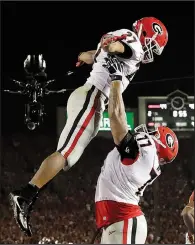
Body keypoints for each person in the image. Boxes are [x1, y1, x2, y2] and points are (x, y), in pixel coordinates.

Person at [9, 17, 168, 236]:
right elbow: (118, 47)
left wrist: (92, 55)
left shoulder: (126, 39)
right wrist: (112, 46)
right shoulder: (134, 44)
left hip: (92, 98)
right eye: (152, 44)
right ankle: (25, 195)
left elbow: (93, 55)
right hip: (92, 97)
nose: (151, 51)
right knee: (65, 153)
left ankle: (28, 195)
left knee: (69, 158)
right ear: (145, 33)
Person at [94, 56, 178, 244]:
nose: (148, 131)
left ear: (159, 143)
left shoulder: (146, 151)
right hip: (118, 221)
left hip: (124, 221)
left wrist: (116, 78)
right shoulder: (148, 160)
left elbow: (116, 117)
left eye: (154, 132)